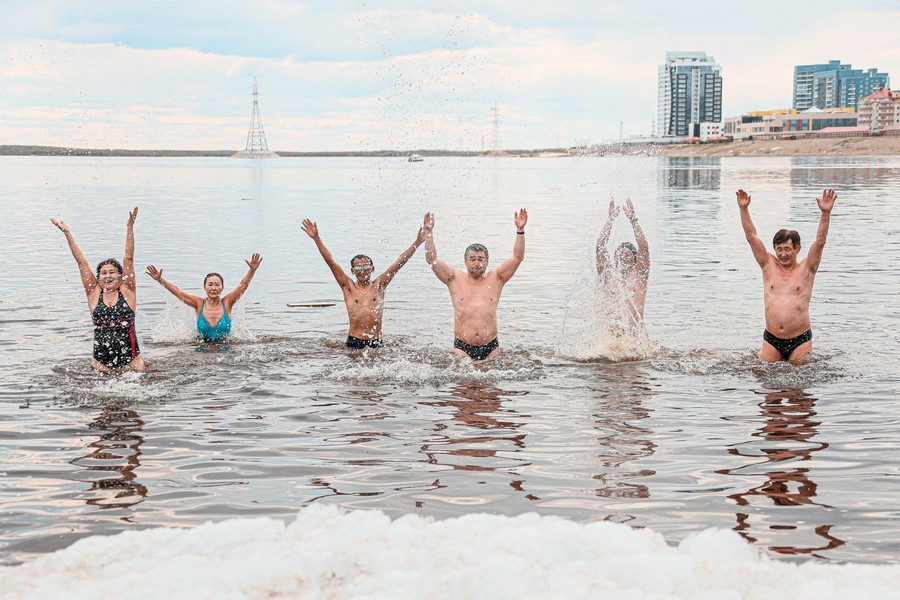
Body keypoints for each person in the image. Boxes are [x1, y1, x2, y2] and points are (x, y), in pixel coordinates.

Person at [736, 188, 836, 364]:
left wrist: (825, 214)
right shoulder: (768, 264)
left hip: (800, 340)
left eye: (787, 249)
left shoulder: (807, 269)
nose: (783, 254)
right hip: (771, 340)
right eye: (779, 249)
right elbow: (751, 236)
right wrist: (744, 209)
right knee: (767, 385)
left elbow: (820, 242)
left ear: (797, 249)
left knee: (797, 388)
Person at [301, 218, 426, 349]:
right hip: (355, 340)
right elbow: (331, 262)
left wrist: (417, 243)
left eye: (366, 268)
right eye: (358, 269)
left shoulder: (379, 285)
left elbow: (398, 263)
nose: (363, 272)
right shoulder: (348, 287)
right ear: (352, 271)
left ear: (372, 269)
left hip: (376, 341)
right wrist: (316, 238)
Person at [423, 209, 527, 361]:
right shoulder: (454, 278)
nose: (477, 263)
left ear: (487, 261)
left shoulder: (497, 278)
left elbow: (517, 257)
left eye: (481, 259)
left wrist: (520, 230)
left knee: (492, 384)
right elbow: (431, 259)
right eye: (472, 259)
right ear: (466, 261)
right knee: (463, 382)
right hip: (463, 347)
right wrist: (429, 233)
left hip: (491, 346)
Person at [51, 207, 146, 372]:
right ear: (99, 278)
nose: (107, 276)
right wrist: (67, 233)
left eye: (112, 272)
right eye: (103, 273)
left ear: (120, 275)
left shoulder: (127, 291)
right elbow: (81, 262)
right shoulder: (94, 293)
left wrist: (130, 228)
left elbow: (128, 258)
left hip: (132, 361)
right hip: (100, 363)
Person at [145, 254, 263, 343]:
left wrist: (252, 270)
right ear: (204, 287)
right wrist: (159, 279)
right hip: (202, 348)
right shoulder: (198, 303)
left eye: (217, 285)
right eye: (210, 284)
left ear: (222, 288)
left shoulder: (227, 302)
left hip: (225, 349)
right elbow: (178, 292)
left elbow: (243, 285)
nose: (213, 288)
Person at [595, 198, 650, 332]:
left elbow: (643, 246)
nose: (623, 258)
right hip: (609, 339)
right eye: (620, 255)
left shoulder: (639, 276)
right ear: (614, 259)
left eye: (627, 255)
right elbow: (600, 246)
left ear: (635, 260)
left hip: (634, 337)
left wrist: (633, 221)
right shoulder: (608, 277)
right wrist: (610, 220)